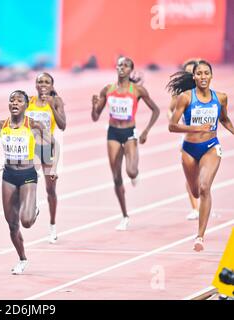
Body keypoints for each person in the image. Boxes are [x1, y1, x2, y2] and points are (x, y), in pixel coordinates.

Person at [0, 90, 50, 274]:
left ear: (26, 105)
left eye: (19, 100)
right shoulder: (2, 125)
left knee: (26, 221)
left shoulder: (33, 124)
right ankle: (22, 258)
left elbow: (50, 145)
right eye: (12, 100)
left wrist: (50, 167)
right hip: (9, 175)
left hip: (27, 174)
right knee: (11, 224)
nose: (15, 103)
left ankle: (33, 207)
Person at [167, 60, 233, 251]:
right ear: (194, 77)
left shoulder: (220, 98)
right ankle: (194, 187)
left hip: (211, 146)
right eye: (199, 74)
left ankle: (200, 236)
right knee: (195, 191)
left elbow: (224, 119)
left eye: (206, 73)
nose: (203, 77)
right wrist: (194, 128)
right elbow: (172, 126)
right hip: (189, 148)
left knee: (205, 188)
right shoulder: (186, 98)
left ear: (211, 76)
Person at [91, 57, 160, 231]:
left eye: (126, 65)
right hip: (113, 133)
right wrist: (94, 107)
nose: (121, 68)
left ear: (130, 70)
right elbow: (95, 117)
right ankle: (124, 216)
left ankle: (135, 173)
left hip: (130, 133)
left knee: (131, 171)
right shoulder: (108, 89)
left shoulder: (137, 90)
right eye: (119, 65)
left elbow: (156, 110)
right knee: (116, 177)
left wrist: (145, 132)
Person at [26, 72, 66, 244]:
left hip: (48, 147)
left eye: (46, 82)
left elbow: (63, 125)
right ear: (35, 84)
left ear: (51, 85)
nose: (43, 84)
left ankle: (52, 226)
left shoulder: (56, 101)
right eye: (40, 82)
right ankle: (32, 206)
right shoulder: (29, 101)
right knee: (28, 181)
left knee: (50, 190)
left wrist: (52, 107)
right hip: (31, 148)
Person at [167, 59, 200, 220]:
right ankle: (195, 208)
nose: (189, 74)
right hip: (186, 135)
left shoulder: (203, 90)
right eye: (186, 71)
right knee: (191, 175)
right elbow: (169, 110)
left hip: (205, 137)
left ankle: (203, 203)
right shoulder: (180, 95)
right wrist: (175, 122)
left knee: (202, 177)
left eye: (191, 71)